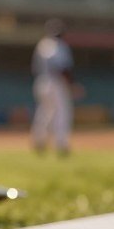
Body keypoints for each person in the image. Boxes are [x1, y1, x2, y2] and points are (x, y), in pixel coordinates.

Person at [30, 19, 81, 155]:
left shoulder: (42, 44)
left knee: (44, 113)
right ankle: (61, 144)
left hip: (41, 81)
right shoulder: (60, 46)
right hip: (56, 82)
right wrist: (72, 84)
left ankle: (39, 141)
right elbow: (62, 67)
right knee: (62, 113)